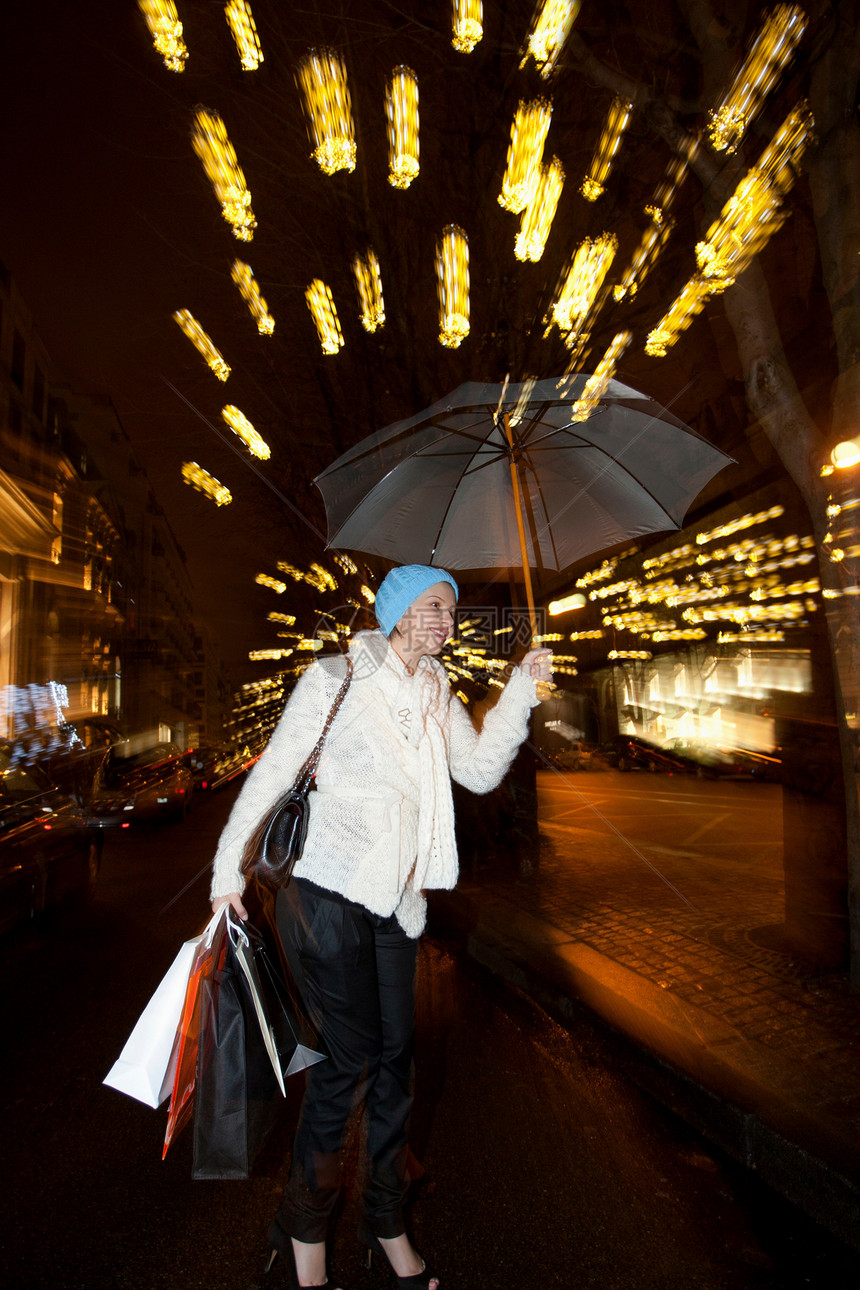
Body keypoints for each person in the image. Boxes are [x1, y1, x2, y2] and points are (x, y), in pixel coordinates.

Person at [211, 565, 552, 1290]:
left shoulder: (436, 691)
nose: (445, 622)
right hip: (328, 891)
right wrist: (224, 874)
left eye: (451, 613)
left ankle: (387, 1224)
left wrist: (520, 688)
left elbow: (483, 771)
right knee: (348, 1063)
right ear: (396, 611)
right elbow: (274, 771)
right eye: (432, 608)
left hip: (398, 903)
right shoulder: (337, 677)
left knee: (398, 1064)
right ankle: (302, 1243)